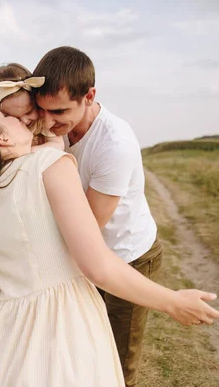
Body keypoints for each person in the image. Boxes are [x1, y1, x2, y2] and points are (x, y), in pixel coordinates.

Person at [0, 107, 219, 386]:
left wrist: (48, 146)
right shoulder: (48, 166)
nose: (20, 118)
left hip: (6, 333)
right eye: (5, 117)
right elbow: (97, 266)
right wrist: (173, 302)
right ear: (2, 139)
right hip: (63, 323)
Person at [33, 46, 167, 386]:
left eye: (60, 111)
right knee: (81, 356)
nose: (48, 122)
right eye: (42, 110)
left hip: (128, 257)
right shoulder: (53, 129)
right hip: (87, 260)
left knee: (118, 367)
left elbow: (90, 227)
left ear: (89, 96)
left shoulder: (114, 144)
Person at [0, 63, 64, 151]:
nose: (25, 121)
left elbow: (58, 145)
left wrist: (26, 151)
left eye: (29, 112)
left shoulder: (42, 120)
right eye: (14, 117)